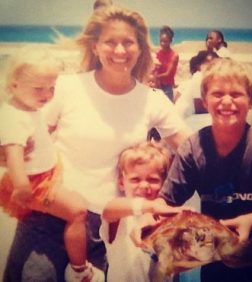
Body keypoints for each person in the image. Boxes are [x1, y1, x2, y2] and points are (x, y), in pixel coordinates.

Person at [2, 6, 191, 282]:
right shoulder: (66, 88)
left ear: (140, 48)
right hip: (49, 212)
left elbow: (192, 149)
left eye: (128, 42)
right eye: (110, 42)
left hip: (106, 228)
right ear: (95, 45)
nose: (119, 50)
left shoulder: (152, 99)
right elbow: (20, 135)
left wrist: (246, 131)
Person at [133, 58, 252, 282]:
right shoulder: (194, 148)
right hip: (217, 261)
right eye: (218, 94)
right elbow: (166, 201)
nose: (227, 101)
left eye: (236, 94)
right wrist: (147, 218)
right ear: (204, 101)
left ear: (250, 101)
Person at [0, 46, 105, 282]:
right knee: (77, 211)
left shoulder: (27, 107)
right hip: (34, 183)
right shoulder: (15, 117)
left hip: (46, 174)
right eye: (39, 89)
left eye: (51, 88)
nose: (47, 95)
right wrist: (21, 185)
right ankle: (79, 269)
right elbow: (14, 152)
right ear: (14, 84)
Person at [100, 141, 183, 281]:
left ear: (165, 183)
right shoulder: (121, 216)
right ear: (121, 182)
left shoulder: (170, 219)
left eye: (152, 179)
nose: (144, 185)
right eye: (135, 179)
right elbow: (108, 209)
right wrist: (149, 207)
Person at [174, 50, 218, 118]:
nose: (211, 65)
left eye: (214, 63)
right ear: (199, 65)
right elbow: (199, 107)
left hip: (191, 117)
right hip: (184, 118)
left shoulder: (208, 79)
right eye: (207, 62)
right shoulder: (199, 77)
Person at [154, 25, 179, 102]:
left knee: (169, 108)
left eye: (165, 41)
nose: (162, 43)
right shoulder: (158, 53)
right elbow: (154, 69)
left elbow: (168, 74)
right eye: (161, 41)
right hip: (157, 84)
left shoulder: (174, 55)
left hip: (167, 86)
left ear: (170, 41)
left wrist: (154, 77)